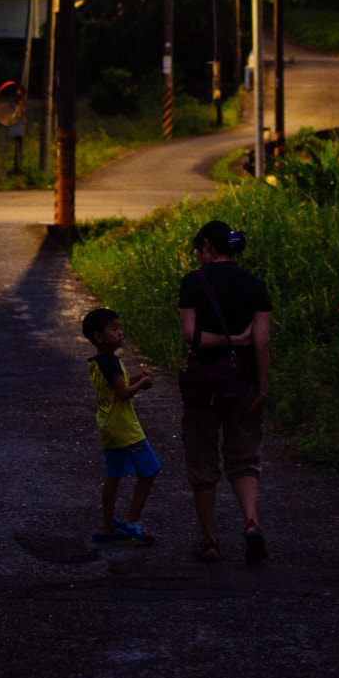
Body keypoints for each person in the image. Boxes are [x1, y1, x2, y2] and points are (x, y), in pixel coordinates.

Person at [178, 219, 271, 564]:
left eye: (198, 250)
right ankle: (250, 521)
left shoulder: (193, 282)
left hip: (204, 384)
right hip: (244, 381)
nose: (198, 257)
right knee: (244, 457)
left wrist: (227, 341)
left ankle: (210, 539)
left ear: (206, 245)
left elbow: (191, 334)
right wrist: (262, 385)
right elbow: (261, 341)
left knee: (203, 459)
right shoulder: (255, 284)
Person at [79, 307, 159, 545]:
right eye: (114, 329)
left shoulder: (99, 362)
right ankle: (132, 520)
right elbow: (123, 394)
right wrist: (142, 383)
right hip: (126, 429)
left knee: (113, 476)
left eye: (119, 327)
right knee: (150, 470)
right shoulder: (111, 361)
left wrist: (135, 376)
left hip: (109, 429)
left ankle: (107, 527)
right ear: (99, 336)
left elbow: (117, 386)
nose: (121, 333)